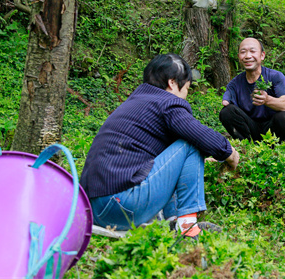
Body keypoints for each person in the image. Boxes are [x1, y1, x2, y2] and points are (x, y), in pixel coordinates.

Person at [80, 53, 240, 238]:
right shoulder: (167, 102)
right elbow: (199, 135)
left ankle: (173, 221)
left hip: (95, 209)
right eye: (186, 88)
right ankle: (187, 227)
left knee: (185, 144)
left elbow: (165, 158)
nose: (185, 96)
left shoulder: (138, 101)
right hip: (122, 206)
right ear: (172, 83)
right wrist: (228, 151)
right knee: (191, 142)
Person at [219, 37, 285, 156]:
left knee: (284, 117)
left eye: (252, 51)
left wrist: (267, 100)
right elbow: (227, 103)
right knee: (226, 112)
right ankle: (245, 150)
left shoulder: (275, 77)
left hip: (272, 128)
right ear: (239, 57)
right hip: (250, 128)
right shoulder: (234, 83)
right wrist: (226, 102)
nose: (247, 56)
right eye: (243, 52)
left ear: (262, 55)